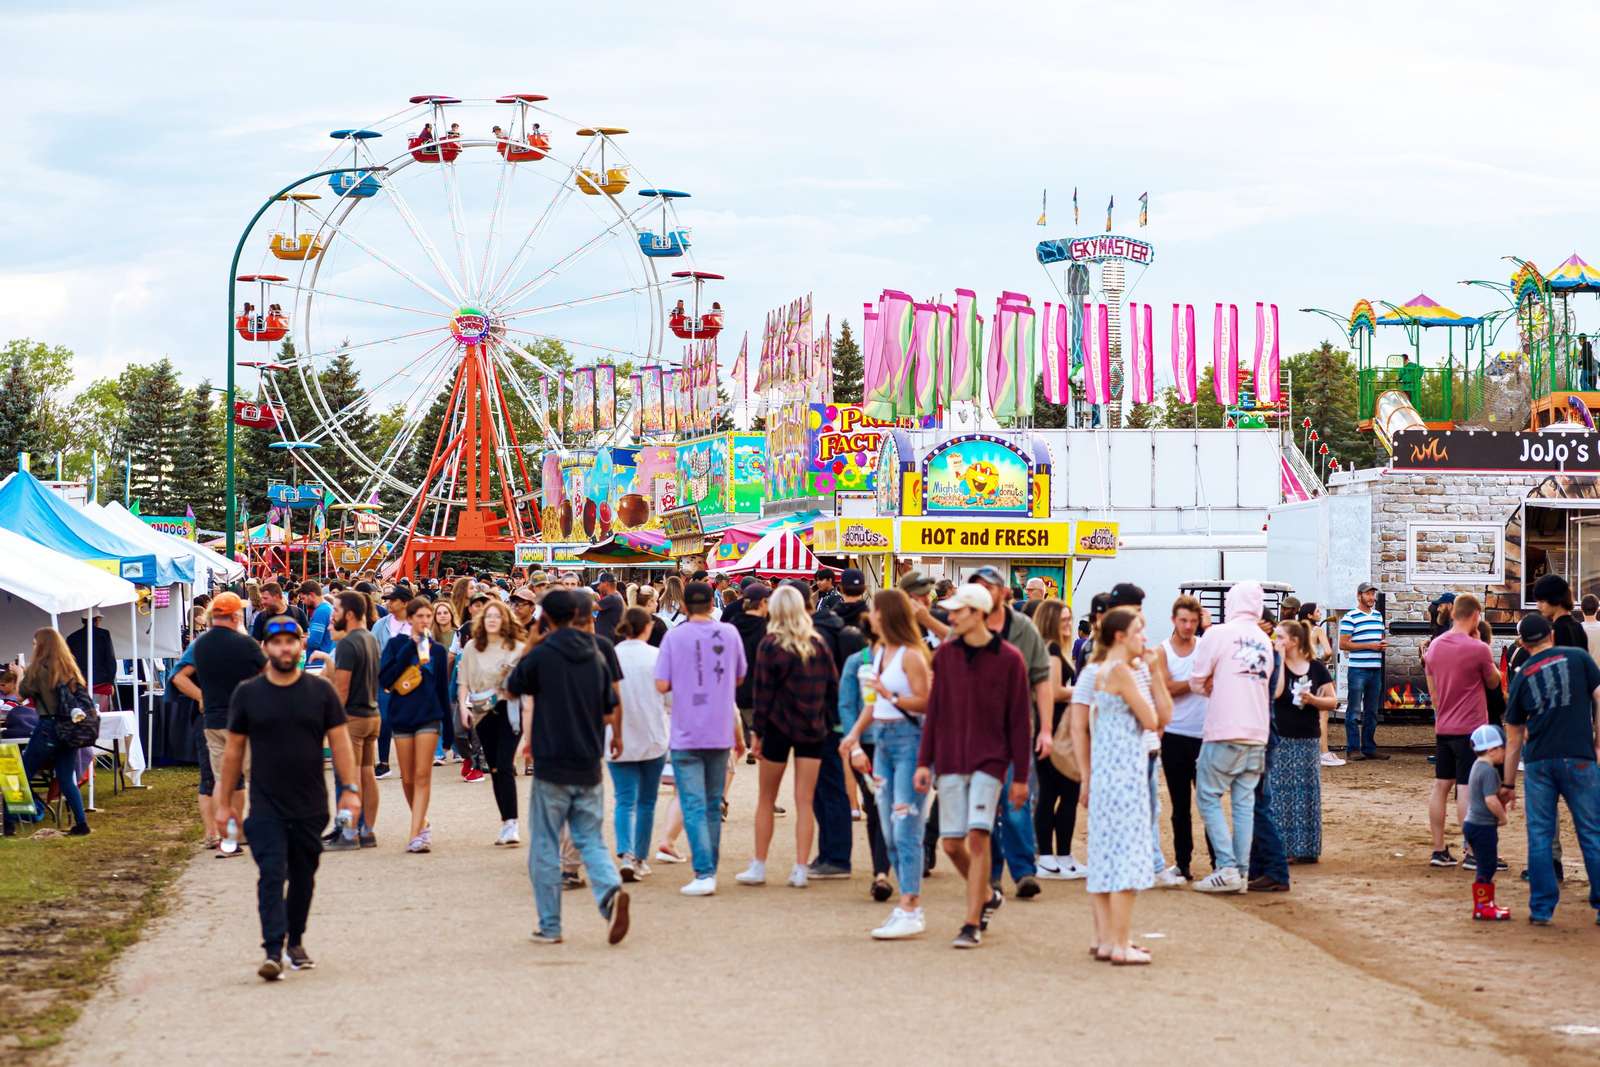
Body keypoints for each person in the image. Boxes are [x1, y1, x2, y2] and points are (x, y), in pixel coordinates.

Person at [213, 615, 359, 980]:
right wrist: (224, 805)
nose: (284, 648)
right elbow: (233, 753)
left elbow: (341, 743)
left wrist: (351, 791)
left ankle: (296, 940)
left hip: (310, 806)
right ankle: (273, 950)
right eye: (276, 642)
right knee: (271, 874)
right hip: (266, 806)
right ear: (265, 648)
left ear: (301, 646)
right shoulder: (248, 693)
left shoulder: (320, 692)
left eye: (290, 642)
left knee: (304, 876)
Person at [506, 589, 631, 946]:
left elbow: (513, 687)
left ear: (545, 618)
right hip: (588, 759)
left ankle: (550, 925)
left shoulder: (543, 655)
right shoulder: (595, 654)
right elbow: (610, 708)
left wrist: (531, 643)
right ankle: (609, 892)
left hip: (551, 761)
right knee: (589, 837)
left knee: (545, 844)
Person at [914, 583, 1031, 949]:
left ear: (978, 613)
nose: (950, 617)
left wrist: (1021, 777)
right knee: (951, 845)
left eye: (958, 611)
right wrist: (925, 761)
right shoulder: (945, 656)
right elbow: (935, 711)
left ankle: (971, 921)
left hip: (990, 760)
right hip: (950, 759)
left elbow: (1019, 722)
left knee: (978, 835)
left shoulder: (1010, 659)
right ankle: (985, 895)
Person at [1076, 608, 1166, 964]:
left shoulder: (1096, 671)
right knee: (1128, 856)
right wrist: (1154, 674)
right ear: (1120, 636)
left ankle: (1106, 939)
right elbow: (1152, 719)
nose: (1143, 637)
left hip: (1104, 771)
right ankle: (1120, 942)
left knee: (1103, 854)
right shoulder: (1121, 671)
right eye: (1138, 631)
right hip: (1126, 771)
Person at [841, 590, 932, 939]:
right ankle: (907, 903)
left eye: (875, 611)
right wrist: (853, 735)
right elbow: (872, 703)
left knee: (905, 824)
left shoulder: (911, 656)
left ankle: (911, 904)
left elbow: (925, 702)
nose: (870, 616)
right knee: (888, 826)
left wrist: (890, 695)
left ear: (886, 615)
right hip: (882, 742)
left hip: (909, 742)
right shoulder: (880, 652)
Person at [1499, 612, 1600, 925]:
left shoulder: (1523, 674)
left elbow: (1513, 738)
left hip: (1540, 760)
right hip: (1580, 755)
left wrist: (1508, 783)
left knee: (1540, 834)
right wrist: (1598, 740)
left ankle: (1542, 908)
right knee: (1591, 831)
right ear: (1551, 635)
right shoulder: (1578, 658)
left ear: (1523, 644)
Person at [654, 580, 746, 895]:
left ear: (682, 606)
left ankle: (704, 872)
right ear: (712, 604)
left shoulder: (673, 637)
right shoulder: (730, 633)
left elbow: (662, 684)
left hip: (685, 731)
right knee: (711, 802)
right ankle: (709, 869)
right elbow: (739, 675)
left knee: (692, 802)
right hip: (719, 729)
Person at [966, 566, 1052, 898]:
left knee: (1016, 802)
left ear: (1003, 592)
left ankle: (1024, 871)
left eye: (989, 588)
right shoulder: (966, 628)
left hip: (1017, 732)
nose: (984, 594)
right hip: (977, 735)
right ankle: (992, 873)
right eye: (978, 588)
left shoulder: (1023, 629)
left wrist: (1045, 728)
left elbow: (1042, 680)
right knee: (986, 806)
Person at [741, 586, 836, 889]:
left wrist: (757, 731)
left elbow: (763, 693)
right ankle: (800, 868)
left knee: (766, 799)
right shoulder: (818, 644)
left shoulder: (770, 645)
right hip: (812, 728)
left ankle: (759, 865)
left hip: (778, 727)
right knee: (805, 801)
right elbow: (831, 688)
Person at [1189, 581, 1273, 893]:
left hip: (1224, 728)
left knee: (1208, 795)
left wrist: (1214, 682)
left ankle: (1225, 867)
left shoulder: (1218, 634)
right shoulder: (1264, 640)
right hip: (1257, 731)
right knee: (1243, 802)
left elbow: (1197, 681)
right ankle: (1241, 870)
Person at [1422, 594, 1501, 868]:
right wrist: (1481, 645)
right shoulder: (1477, 648)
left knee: (1441, 785)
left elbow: (1432, 690)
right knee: (1467, 788)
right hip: (1471, 728)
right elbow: (1493, 682)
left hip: (1444, 725)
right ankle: (1471, 850)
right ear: (1476, 615)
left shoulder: (1434, 646)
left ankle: (1438, 848)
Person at [189, 592, 267, 846]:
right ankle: (251, 827)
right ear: (235, 616)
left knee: (223, 778)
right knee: (252, 775)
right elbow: (269, 673)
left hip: (213, 720)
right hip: (245, 720)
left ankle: (227, 831)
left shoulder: (200, 645)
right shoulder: (246, 644)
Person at [378, 597, 451, 853]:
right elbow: (385, 679)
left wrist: (449, 729)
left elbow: (442, 688)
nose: (423, 621)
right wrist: (408, 649)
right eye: (418, 616)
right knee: (407, 777)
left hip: (429, 716)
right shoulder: (396, 644)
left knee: (422, 775)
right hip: (402, 715)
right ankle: (423, 822)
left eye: (427, 616)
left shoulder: (438, 651)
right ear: (409, 619)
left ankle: (415, 832)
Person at [2, 630, 93, 837]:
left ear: (41, 646)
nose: (33, 647)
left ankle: (8, 823)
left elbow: (21, 694)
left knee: (20, 775)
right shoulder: (69, 667)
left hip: (47, 729)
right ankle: (81, 823)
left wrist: (20, 673)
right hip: (68, 730)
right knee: (65, 777)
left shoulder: (39, 669)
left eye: (35, 644)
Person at [458, 599, 525, 846]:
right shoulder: (472, 648)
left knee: (505, 764)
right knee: (495, 767)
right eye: (488, 616)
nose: (493, 620)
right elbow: (463, 680)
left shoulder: (517, 647)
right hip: (481, 712)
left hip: (509, 709)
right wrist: (463, 708)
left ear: (506, 619)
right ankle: (506, 820)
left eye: (497, 616)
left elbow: (524, 684)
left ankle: (513, 823)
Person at [609, 608, 669, 882]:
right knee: (646, 801)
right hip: (652, 733)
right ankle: (641, 857)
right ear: (646, 628)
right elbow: (670, 699)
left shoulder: (610, 655)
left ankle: (626, 854)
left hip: (616, 735)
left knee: (624, 800)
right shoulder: (657, 657)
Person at [1270, 620, 1335, 864]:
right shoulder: (1277, 667)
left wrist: (1313, 701)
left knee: (1307, 792)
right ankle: (1284, 848)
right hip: (1282, 738)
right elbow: (1275, 693)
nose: (1275, 642)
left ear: (1294, 641)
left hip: (1308, 738)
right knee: (1281, 793)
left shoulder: (1316, 669)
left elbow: (1332, 701)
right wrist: (1277, 660)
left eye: (1280, 638)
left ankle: (1307, 848)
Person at [1159, 595, 1212, 881]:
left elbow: (1214, 681)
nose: (1188, 626)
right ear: (1173, 621)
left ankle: (1219, 863)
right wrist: (1196, 682)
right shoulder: (1163, 651)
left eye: (1193, 621)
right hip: (1174, 734)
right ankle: (1183, 862)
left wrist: (1193, 684)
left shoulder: (1205, 647)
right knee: (1180, 806)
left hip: (1204, 734)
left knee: (1209, 803)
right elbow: (1165, 687)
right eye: (1183, 621)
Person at [324, 592, 381, 851]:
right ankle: (367, 831)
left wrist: (331, 719)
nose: (332, 614)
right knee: (367, 774)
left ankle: (348, 833)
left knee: (350, 778)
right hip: (372, 714)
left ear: (348, 614)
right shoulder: (369, 637)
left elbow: (342, 688)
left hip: (353, 718)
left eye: (335, 609)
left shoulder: (347, 643)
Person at [1031, 598, 1083, 880]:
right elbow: (1052, 691)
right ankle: (1052, 855)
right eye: (1063, 619)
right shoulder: (1051, 650)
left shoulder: (1056, 649)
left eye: (1069, 618)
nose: (1068, 623)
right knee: (1057, 793)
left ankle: (1058, 855)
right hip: (1052, 728)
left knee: (1058, 794)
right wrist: (1082, 691)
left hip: (1055, 727)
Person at [1463, 724, 1512, 921]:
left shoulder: (1477, 766)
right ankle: (1482, 906)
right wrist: (1502, 817)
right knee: (1487, 866)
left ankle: (1486, 904)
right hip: (1483, 826)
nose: (1505, 753)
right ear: (1492, 750)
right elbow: (1490, 800)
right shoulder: (1489, 771)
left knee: (1485, 865)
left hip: (1472, 823)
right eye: (1503, 748)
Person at [1338, 582, 1389, 761]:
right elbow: (1343, 644)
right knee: (1353, 710)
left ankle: (1368, 747)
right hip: (1357, 669)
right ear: (1359, 595)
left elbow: (1380, 638)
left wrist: (1381, 646)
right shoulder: (1350, 617)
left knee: (1372, 711)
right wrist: (1370, 646)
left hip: (1375, 669)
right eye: (1368, 594)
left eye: (1373, 594)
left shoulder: (1378, 616)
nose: (1372, 598)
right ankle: (1353, 748)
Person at [371, 585, 412, 780]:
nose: (388, 603)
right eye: (387, 599)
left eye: (392, 600)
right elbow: (372, 650)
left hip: (411, 679)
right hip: (385, 678)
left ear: (405, 603)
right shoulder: (381, 625)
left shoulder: (416, 624)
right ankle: (384, 762)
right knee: (385, 720)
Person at [731, 583, 770, 761]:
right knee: (753, 718)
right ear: (762, 602)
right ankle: (752, 744)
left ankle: (746, 743)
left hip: (734, 684)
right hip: (757, 684)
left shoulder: (732, 625)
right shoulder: (766, 629)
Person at [65, 613, 117, 709]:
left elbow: (68, 663)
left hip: (80, 684)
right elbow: (110, 659)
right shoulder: (104, 634)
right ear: (96, 619)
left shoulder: (72, 638)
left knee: (83, 717)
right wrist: (111, 682)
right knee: (102, 717)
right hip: (101, 683)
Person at [1534, 574, 1588, 650]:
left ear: (1555, 598)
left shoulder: (1555, 631)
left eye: (1542, 601)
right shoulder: (1578, 627)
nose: (1538, 606)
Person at [297, 581, 335, 658]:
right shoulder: (327, 607)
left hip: (317, 662)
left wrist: (296, 640)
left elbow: (314, 642)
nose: (303, 602)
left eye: (303, 598)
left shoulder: (321, 611)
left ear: (311, 595)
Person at [593, 572, 624, 643]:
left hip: (608, 641)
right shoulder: (617, 596)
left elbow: (590, 606)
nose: (598, 587)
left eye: (599, 584)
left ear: (606, 584)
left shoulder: (612, 598)